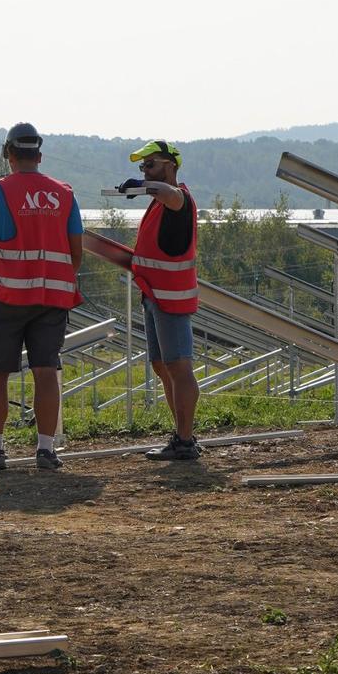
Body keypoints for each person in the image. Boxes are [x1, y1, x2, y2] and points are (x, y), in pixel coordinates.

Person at [0, 122, 84, 472]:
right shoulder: (65, 193)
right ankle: (46, 449)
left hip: (7, 298)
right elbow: (76, 251)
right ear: (39, 155)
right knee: (46, 371)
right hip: (52, 298)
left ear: (8, 154)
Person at [121, 139, 200, 461]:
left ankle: (184, 440)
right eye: (142, 168)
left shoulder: (178, 198)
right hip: (155, 295)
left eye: (150, 165)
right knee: (163, 366)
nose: (145, 172)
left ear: (170, 165)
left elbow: (173, 196)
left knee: (179, 367)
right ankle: (182, 435)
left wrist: (144, 185)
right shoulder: (158, 203)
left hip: (171, 298)